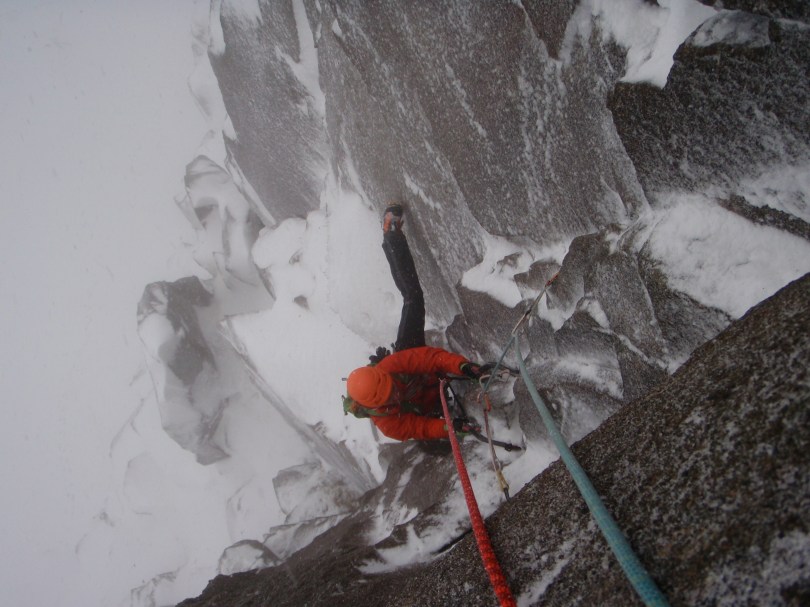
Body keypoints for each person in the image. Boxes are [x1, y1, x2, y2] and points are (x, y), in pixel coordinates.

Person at [344, 203, 484, 441]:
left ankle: (392, 235)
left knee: (413, 298)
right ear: (376, 405)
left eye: (389, 386)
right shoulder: (389, 426)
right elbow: (419, 428)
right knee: (413, 299)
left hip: (415, 368)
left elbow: (429, 358)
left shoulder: (391, 367)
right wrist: (448, 427)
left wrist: (461, 366)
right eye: (389, 395)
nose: (394, 391)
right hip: (428, 398)